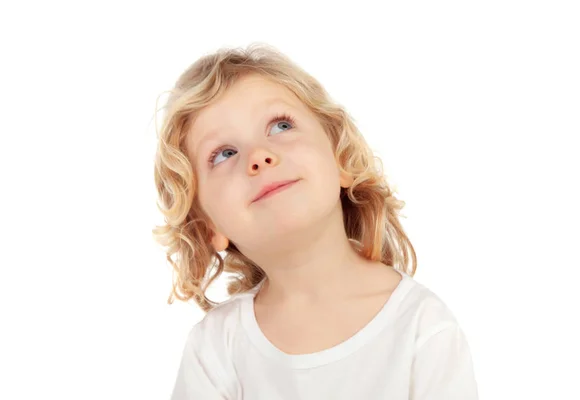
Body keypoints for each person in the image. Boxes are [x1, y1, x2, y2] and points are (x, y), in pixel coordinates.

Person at [152, 43, 478, 400]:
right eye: (224, 154)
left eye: (280, 125)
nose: (259, 156)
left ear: (341, 158)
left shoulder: (422, 327)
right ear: (207, 227)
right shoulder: (216, 348)